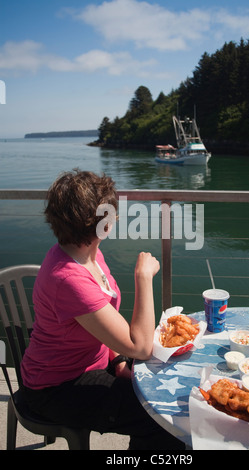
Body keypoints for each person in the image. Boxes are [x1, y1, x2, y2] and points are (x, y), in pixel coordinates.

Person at [21, 169, 185, 450]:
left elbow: (102, 323)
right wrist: (144, 278)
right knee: (163, 419)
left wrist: (117, 359)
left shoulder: (85, 254)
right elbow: (141, 346)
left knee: (171, 387)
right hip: (56, 387)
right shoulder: (69, 278)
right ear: (102, 224)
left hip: (89, 364)